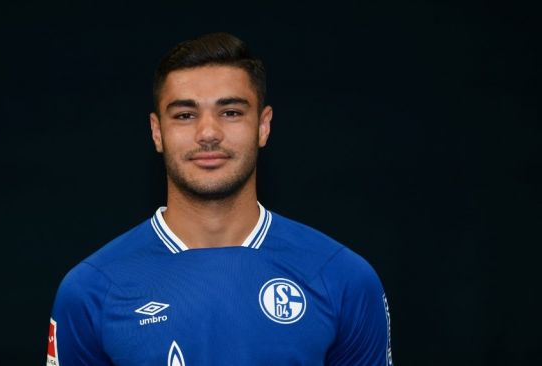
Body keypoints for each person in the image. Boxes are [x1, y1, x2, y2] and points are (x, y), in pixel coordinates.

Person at [47, 32, 393, 366]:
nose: (208, 133)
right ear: (157, 132)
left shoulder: (341, 277)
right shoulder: (92, 289)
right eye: (185, 115)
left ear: (263, 125)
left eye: (230, 112)